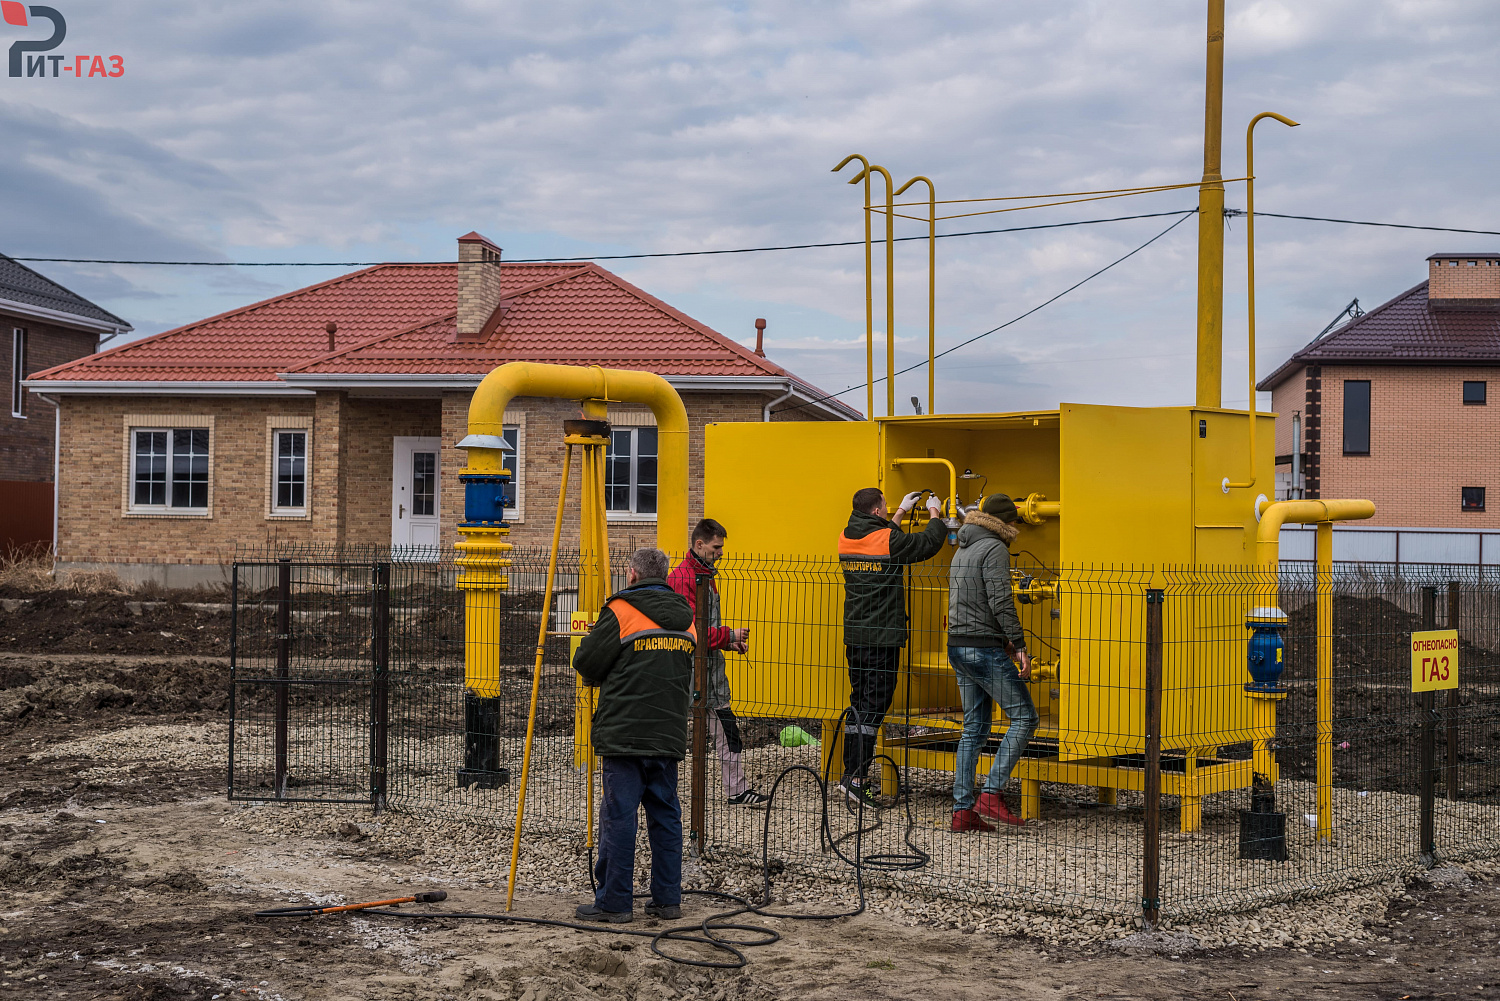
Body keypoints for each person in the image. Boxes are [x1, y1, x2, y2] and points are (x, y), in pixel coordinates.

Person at [572, 547, 695, 923]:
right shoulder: (686, 617)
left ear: (632, 575)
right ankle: (667, 900)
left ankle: (614, 903)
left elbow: (586, 662)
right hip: (668, 733)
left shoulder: (621, 610)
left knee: (620, 818)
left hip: (624, 733)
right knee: (666, 817)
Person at [836, 486, 947, 805]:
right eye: (885, 507)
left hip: (856, 635)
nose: (887, 511)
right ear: (875, 512)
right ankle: (857, 778)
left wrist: (898, 512)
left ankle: (850, 775)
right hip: (880, 637)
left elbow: (883, 541)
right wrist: (935, 514)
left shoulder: (846, 535)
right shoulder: (885, 538)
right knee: (874, 706)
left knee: (860, 703)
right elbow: (926, 544)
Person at [945, 493, 1037, 831]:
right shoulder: (995, 548)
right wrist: (1019, 644)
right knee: (1025, 717)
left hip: (958, 645)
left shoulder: (963, 547)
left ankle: (963, 811)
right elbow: (1000, 599)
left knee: (974, 729)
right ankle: (991, 794)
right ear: (1006, 522)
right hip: (983, 648)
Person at [667, 518, 771, 807]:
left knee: (723, 731)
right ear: (699, 544)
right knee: (688, 732)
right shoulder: (683, 579)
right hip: (690, 670)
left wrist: (727, 641)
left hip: (706, 670)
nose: (721, 552)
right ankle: (732, 791)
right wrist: (728, 635)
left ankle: (735, 790)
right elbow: (690, 631)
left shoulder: (701, 575)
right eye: (716, 547)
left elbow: (699, 629)